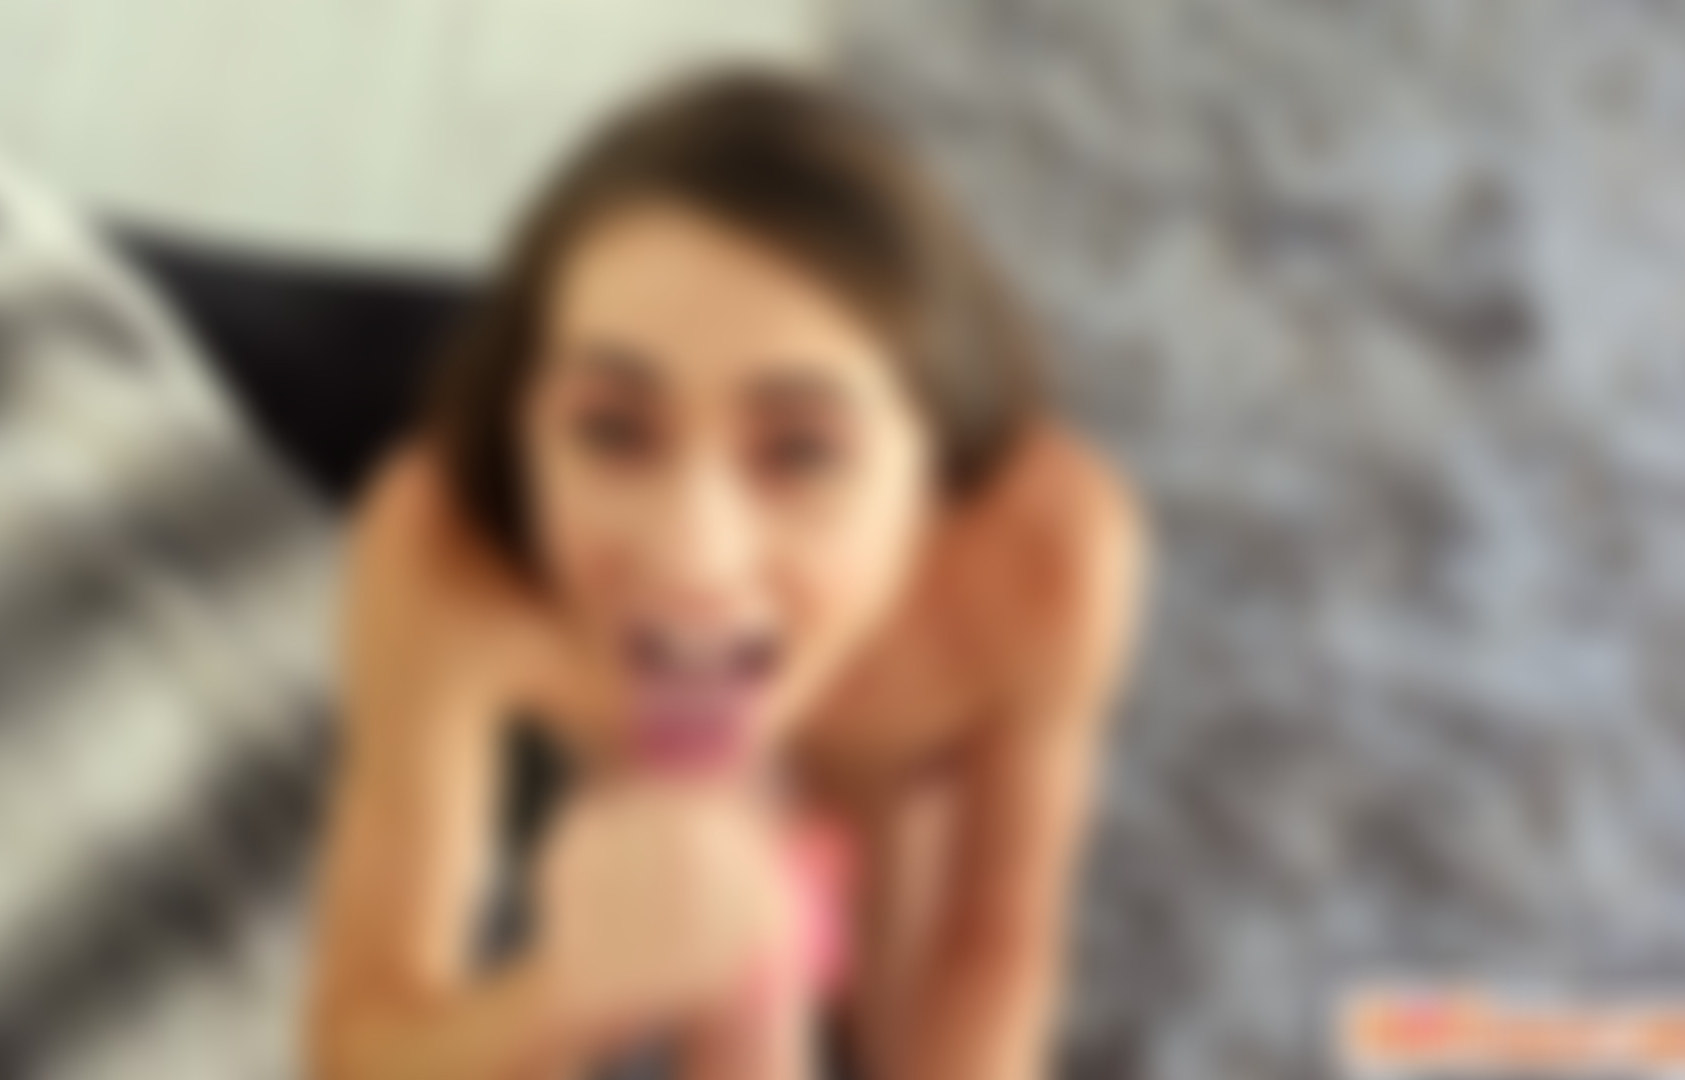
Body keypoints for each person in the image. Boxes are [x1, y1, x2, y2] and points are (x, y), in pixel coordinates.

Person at [305, 68, 1149, 1080]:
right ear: (526, 425)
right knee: (716, 960)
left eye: (801, 451)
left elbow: (997, 941)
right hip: (607, 676)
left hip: (874, 753)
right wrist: (562, 993)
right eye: (613, 432)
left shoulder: (1048, 558)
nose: (691, 559)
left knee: (890, 992)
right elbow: (356, 1055)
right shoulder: (444, 552)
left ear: (934, 476)